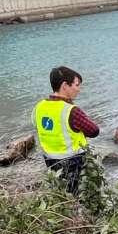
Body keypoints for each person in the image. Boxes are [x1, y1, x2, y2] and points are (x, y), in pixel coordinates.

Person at [33, 65, 99, 194]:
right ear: (65, 85)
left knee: (61, 193)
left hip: (50, 160)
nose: (78, 89)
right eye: (76, 85)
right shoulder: (71, 111)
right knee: (78, 195)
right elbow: (94, 131)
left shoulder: (39, 107)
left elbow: (39, 126)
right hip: (73, 162)